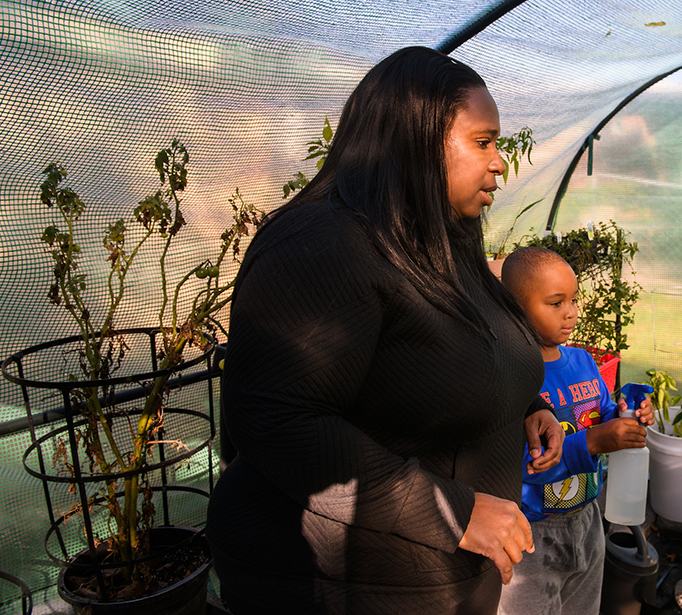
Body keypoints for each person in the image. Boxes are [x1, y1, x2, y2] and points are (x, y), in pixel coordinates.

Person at [206, 47, 565, 615]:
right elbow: (277, 420)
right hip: (349, 589)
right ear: (417, 139)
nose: (500, 162)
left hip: (450, 578)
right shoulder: (324, 246)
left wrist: (524, 405)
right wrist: (449, 511)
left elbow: (467, 348)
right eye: (482, 141)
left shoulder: (443, 239)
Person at [497, 246, 654, 615]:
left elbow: (599, 414)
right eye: (555, 303)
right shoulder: (510, 374)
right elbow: (523, 462)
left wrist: (626, 415)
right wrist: (597, 441)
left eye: (573, 299)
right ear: (514, 308)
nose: (571, 312)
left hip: (587, 521)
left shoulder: (582, 361)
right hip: (531, 535)